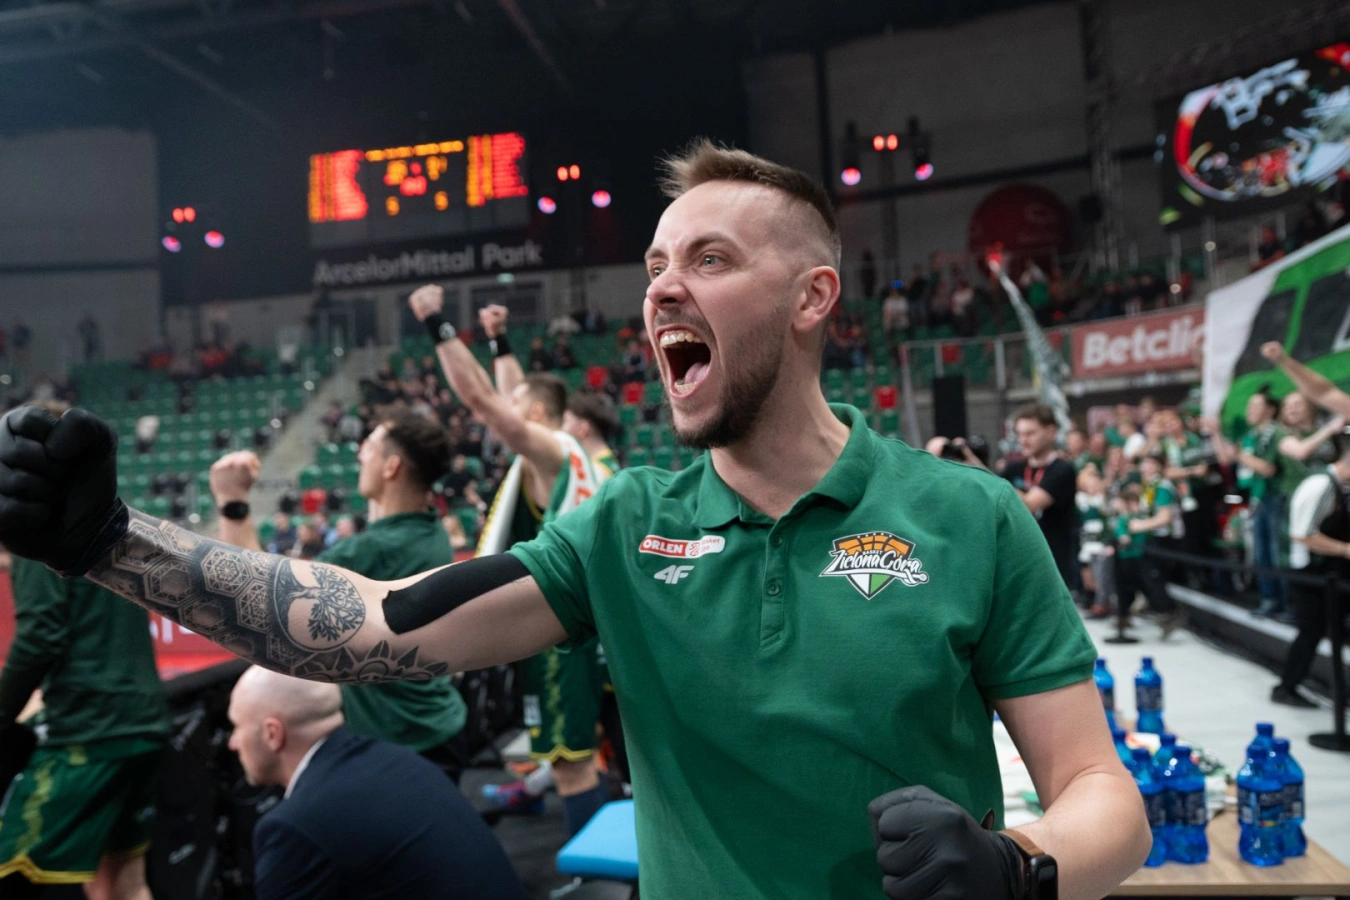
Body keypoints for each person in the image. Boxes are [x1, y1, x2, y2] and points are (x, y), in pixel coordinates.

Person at [0, 141, 1151, 900]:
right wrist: (110, 541)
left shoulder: (968, 515)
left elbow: (1103, 797)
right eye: (654, 265)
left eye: (709, 258)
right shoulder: (623, 527)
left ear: (813, 297)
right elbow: (368, 627)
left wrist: (1020, 866)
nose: (661, 289)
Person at [210, 426, 471, 785]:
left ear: (391, 467)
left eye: (370, 447)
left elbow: (258, 595)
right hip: (438, 724)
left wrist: (232, 499)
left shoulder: (372, 551)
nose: (360, 453)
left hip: (398, 743)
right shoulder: (431, 530)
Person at [0, 419, 170, 900]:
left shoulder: (35, 527)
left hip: (90, 734)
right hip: (143, 721)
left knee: (12, 870)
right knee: (124, 883)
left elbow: (41, 635)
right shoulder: (108, 520)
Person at [226, 666, 526, 900]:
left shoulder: (295, 828)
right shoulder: (396, 760)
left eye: (237, 727)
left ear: (273, 734)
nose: (232, 743)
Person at [1273, 440, 1350, 707]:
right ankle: (1287, 687)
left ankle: (1337, 689)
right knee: (1310, 631)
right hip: (1308, 571)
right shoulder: (1320, 485)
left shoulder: (1336, 486)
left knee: (1328, 630)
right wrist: (1345, 549)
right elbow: (1303, 534)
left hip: (1324, 571)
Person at [1212, 390, 1287, 618]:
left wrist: (1240, 456)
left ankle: (1287, 603)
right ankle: (1269, 599)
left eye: (1255, 406)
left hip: (1276, 497)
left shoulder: (1277, 434)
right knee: (1261, 553)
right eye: (1249, 406)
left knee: (1276, 552)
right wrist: (1215, 432)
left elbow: (1268, 468)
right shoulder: (1251, 435)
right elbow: (1226, 458)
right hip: (1258, 498)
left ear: (1270, 410)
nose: (1249, 411)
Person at [1002, 403, 1080, 592]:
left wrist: (993, 482)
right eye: (1020, 434)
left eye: (1030, 433)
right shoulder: (1014, 469)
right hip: (1022, 562)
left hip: (1055, 564)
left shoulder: (1062, 469)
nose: (1023, 441)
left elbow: (1030, 504)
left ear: (1051, 432)